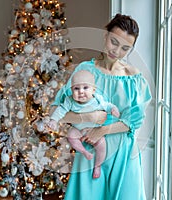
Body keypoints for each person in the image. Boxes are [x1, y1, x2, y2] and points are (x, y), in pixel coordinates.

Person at [51, 13, 151, 199]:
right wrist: (87, 118)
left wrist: (102, 130)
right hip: (90, 149)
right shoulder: (84, 71)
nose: (116, 51)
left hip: (124, 153)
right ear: (105, 36)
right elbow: (55, 112)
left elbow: (134, 121)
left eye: (125, 48)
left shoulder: (134, 78)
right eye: (114, 41)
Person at [48, 70, 120, 179]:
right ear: (71, 90)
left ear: (93, 89)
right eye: (76, 88)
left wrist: (113, 109)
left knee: (102, 146)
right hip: (78, 130)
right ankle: (84, 151)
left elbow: (107, 105)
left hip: (94, 130)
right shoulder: (70, 101)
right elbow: (60, 110)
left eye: (85, 88)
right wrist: (53, 120)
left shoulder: (97, 99)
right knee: (71, 135)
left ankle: (97, 165)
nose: (81, 91)